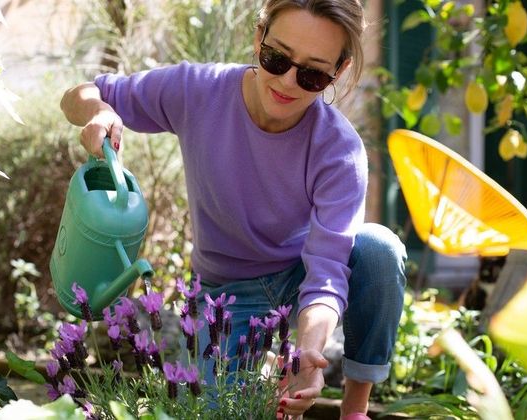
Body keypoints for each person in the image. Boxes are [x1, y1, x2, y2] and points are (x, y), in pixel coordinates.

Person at [60, 0, 406, 418]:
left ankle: (355, 408)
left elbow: (327, 272)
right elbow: (80, 94)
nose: (287, 82)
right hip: (227, 290)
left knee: (378, 248)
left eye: (312, 74)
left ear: (339, 70)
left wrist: (308, 357)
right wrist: (98, 112)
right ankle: (267, 383)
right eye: (277, 58)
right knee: (215, 411)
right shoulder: (199, 90)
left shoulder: (339, 150)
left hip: (300, 276)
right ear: (259, 37)